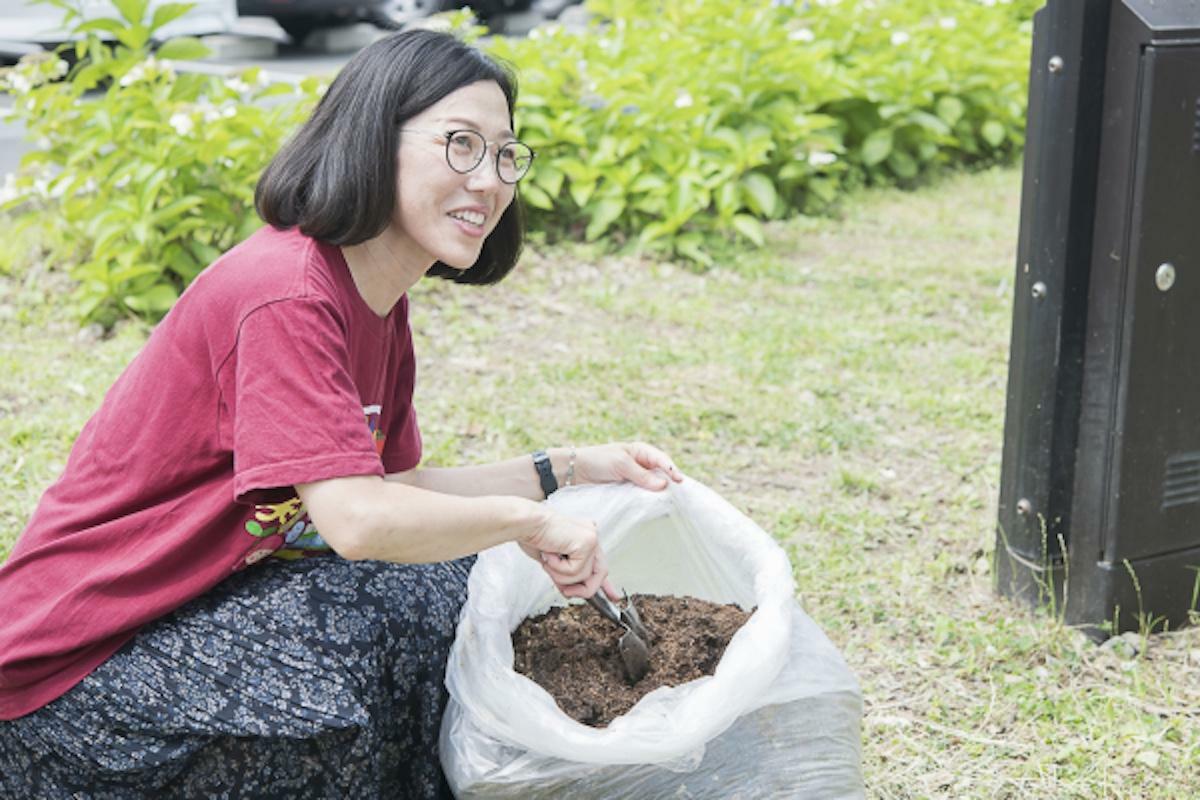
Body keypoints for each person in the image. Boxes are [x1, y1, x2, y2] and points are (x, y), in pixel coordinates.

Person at [0, 29, 682, 799]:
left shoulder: (374, 299)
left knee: (441, 585)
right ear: (371, 139)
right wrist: (529, 525)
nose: (489, 180)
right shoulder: (287, 292)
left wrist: (566, 470)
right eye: (460, 144)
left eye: (504, 155)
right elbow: (358, 521)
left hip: (183, 609)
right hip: (72, 681)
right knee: (351, 652)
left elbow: (395, 484)